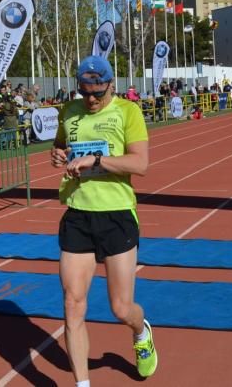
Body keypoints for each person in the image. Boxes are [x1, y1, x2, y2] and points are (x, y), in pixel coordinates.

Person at [50, 55, 157, 384]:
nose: (92, 100)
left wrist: (97, 159)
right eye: (85, 93)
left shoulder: (128, 111)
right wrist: (57, 156)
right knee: (72, 303)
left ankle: (141, 331)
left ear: (112, 85)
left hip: (117, 215)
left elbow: (140, 164)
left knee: (121, 308)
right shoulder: (69, 112)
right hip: (78, 214)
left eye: (98, 93)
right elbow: (59, 147)